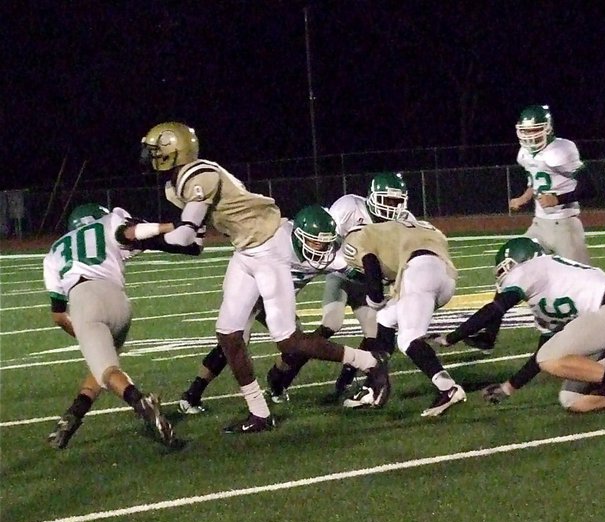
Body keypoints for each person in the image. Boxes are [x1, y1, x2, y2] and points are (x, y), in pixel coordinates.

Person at [140, 122, 387, 433]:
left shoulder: (199, 174)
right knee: (229, 335)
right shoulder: (175, 186)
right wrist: (151, 236)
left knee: (289, 341)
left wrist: (141, 235)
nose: (151, 156)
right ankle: (259, 412)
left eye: (155, 149)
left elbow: (186, 233)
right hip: (246, 250)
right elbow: (194, 244)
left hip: (270, 245)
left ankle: (370, 362)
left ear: (174, 149)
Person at [428, 237, 605, 415]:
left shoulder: (531, 268)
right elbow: (542, 354)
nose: (503, 278)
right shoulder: (549, 287)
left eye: (504, 270)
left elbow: (496, 309)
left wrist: (452, 337)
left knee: (550, 358)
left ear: (519, 261)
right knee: (572, 401)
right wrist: (509, 387)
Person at [43, 203, 200, 449]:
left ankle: (141, 403)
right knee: (105, 366)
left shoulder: (54, 252)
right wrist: (174, 225)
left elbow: (58, 315)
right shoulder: (108, 222)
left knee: (107, 371)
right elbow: (132, 235)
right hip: (119, 303)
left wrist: (83, 334)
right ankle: (71, 417)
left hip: (85, 300)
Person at [177, 204, 352, 413]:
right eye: (315, 242)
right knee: (234, 342)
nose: (320, 249)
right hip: (251, 295)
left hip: (276, 302)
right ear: (298, 236)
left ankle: (276, 382)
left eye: (325, 244)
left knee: (295, 342)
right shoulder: (275, 239)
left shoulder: (333, 255)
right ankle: (193, 393)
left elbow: (357, 268)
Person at [266, 172, 414, 403]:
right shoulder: (349, 207)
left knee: (377, 333)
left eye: (397, 201)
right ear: (373, 196)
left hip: (368, 285)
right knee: (331, 324)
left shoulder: (404, 221)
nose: (392, 207)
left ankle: (349, 378)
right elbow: (324, 243)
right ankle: (282, 375)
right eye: (388, 200)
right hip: (342, 276)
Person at [469, 104, 594, 353]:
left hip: (565, 225)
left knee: (587, 285)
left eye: (536, 130)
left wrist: (558, 199)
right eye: (526, 132)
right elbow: (534, 180)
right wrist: (524, 198)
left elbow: (590, 188)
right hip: (539, 224)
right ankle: (488, 334)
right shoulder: (524, 153)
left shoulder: (562, 150)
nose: (530, 136)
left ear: (548, 129)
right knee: (510, 270)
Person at [341, 218, 464, 416]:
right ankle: (373, 386)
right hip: (445, 276)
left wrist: (374, 300)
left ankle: (448, 388)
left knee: (408, 339)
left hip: (419, 271)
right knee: (385, 319)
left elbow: (371, 266)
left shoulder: (359, 237)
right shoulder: (410, 225)